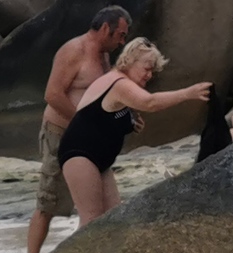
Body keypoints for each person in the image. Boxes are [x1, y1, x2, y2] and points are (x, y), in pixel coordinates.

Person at [56, 38, 210, 228]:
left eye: (152, 70)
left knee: (114, 218)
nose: (149, 75)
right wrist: (188, 93)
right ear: (130, 60)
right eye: (147, 68)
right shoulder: (118, 82)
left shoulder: (118, 85)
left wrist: (130, 122)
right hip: (79, 154)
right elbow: (149, 102)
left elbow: (106, 113)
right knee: (91, 221)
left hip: (99, 160)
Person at [26, 7, 128, 253]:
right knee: (48, 202)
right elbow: (53, 94)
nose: (122, 42)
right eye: (120, 35)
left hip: (91, 140)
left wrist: (125, 117)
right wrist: (83, 121)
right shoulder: (73, 51)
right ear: (105, 28)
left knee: (108, 206)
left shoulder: (105, 58)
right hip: (60, 134)